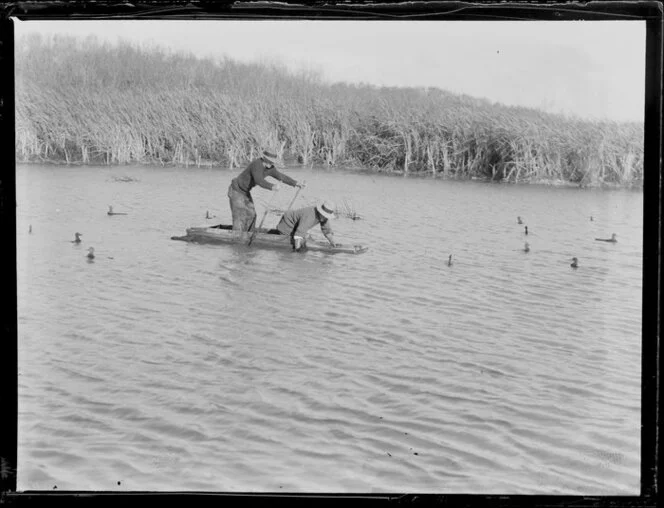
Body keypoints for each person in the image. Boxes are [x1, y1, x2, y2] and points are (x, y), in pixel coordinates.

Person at [227, 150, 304, 232]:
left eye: (272, 163)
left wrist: (296, 183)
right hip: (236, 190)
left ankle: (249, 234)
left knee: (252, 215)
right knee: (240, 216)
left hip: (245, 192)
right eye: (269, 162)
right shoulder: (257, 164)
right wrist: (272, 186)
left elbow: (281, 176)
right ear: (264, 159)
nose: (270, 164)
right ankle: (236, 236)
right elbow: (259, 180)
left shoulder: (270, 168)